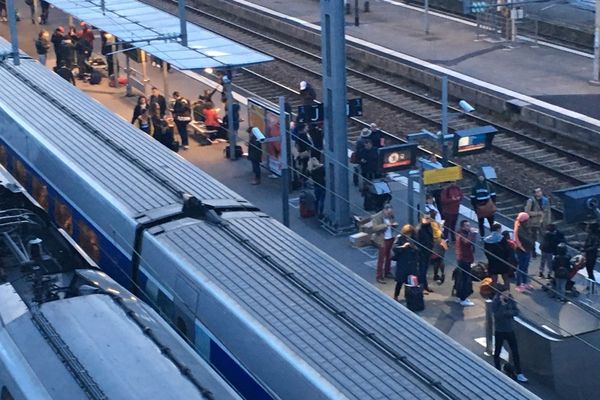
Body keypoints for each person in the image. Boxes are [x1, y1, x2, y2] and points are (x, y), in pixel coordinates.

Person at [492, 285, 528, 383]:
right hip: (500, 330)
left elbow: (516, 311)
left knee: (515, 351)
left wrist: (507, 313)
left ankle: (519, 373)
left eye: (508, 293)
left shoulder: (511, 299)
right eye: (505, 293)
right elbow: (497, 316)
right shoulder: (496, 302)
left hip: (509, 329)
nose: (507, 295)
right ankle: (497, 370)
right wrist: (503, 305)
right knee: (497, 351)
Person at [371, 204, 397, 284]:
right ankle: (379, 276)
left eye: (390, 213)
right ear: (384, 210)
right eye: (388, 213)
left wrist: (395, 225)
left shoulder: (391, 215)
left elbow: (393, 222)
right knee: (381, 259)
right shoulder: (376, 217)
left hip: (390, 238)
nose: (389, 214)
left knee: (389, 256)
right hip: (382, 239)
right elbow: (374, 228)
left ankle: (387, 272)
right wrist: (385, 225)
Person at [392, 225, 419, 301]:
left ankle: (408, 296)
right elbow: (394, 248)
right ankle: (396, 296)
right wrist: (403, 247)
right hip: (402, 262)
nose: (409, 235)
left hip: (411, 263)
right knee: (400, 281)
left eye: (410, 233)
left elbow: (418, 250)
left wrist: (413, 247)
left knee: (410, 282)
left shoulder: (414, 238)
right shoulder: (400, 237)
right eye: (407, 233)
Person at [524, 188, 550, 259]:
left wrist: (548, 222)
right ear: (535, 193)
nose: (540, 193)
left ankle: (543, 253)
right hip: (533, 223)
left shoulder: (545, 200)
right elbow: (527, 212)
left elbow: (548, 212)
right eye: (537, 192)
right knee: (533, 238)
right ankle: (533, 252)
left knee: (544, 237)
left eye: (540, 191)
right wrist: (538, 213)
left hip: (542, 222)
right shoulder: (531, 201)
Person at [484, 223, 511, 290]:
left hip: (492, 261)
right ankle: (506, 292)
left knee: (494, 278)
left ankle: (495, 292)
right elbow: (507, 250)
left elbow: (486, 252)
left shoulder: (487, 240)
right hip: (502, 261)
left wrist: (490, 258)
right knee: (505, 277)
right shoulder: (502, 239)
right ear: (498, 229)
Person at [455, 220, 475, 306]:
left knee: (461, 278)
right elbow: (467, 242)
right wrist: (472, 234)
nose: (469, 227)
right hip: (464, 259)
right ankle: (463, 298)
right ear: (462, 227)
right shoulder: (462, 235)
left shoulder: (460, 233)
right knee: (465, 279)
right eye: (467, 226)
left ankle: (460, 297)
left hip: (463, 258)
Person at [514, 212, 534, 292]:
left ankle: (525, 282)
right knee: (520, 268)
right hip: (521, 251)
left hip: (526, 249)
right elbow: (517, 241)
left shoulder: (523, 226)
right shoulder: (519, 229)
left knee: (525, 267)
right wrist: (523, 249)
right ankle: (519, 284)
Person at [416, 212, 435, 293]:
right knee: (422, 270)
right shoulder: (419, 229)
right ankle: (422, 286)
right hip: (422, 252)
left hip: (428, 251)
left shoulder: (429, 226)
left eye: (429, 218)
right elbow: (417, 242)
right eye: (426, 218)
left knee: (425, 270)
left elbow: (431, 237)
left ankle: (424, 286)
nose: (428, 220)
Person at [430, 210, 447, 284]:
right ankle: (442, 273)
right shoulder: (434, 224)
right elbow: (441, 234)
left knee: (436, 260)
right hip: (439, 241)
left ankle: (435, 274)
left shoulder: (429, 224)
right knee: (441, 259)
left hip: (433, 243)